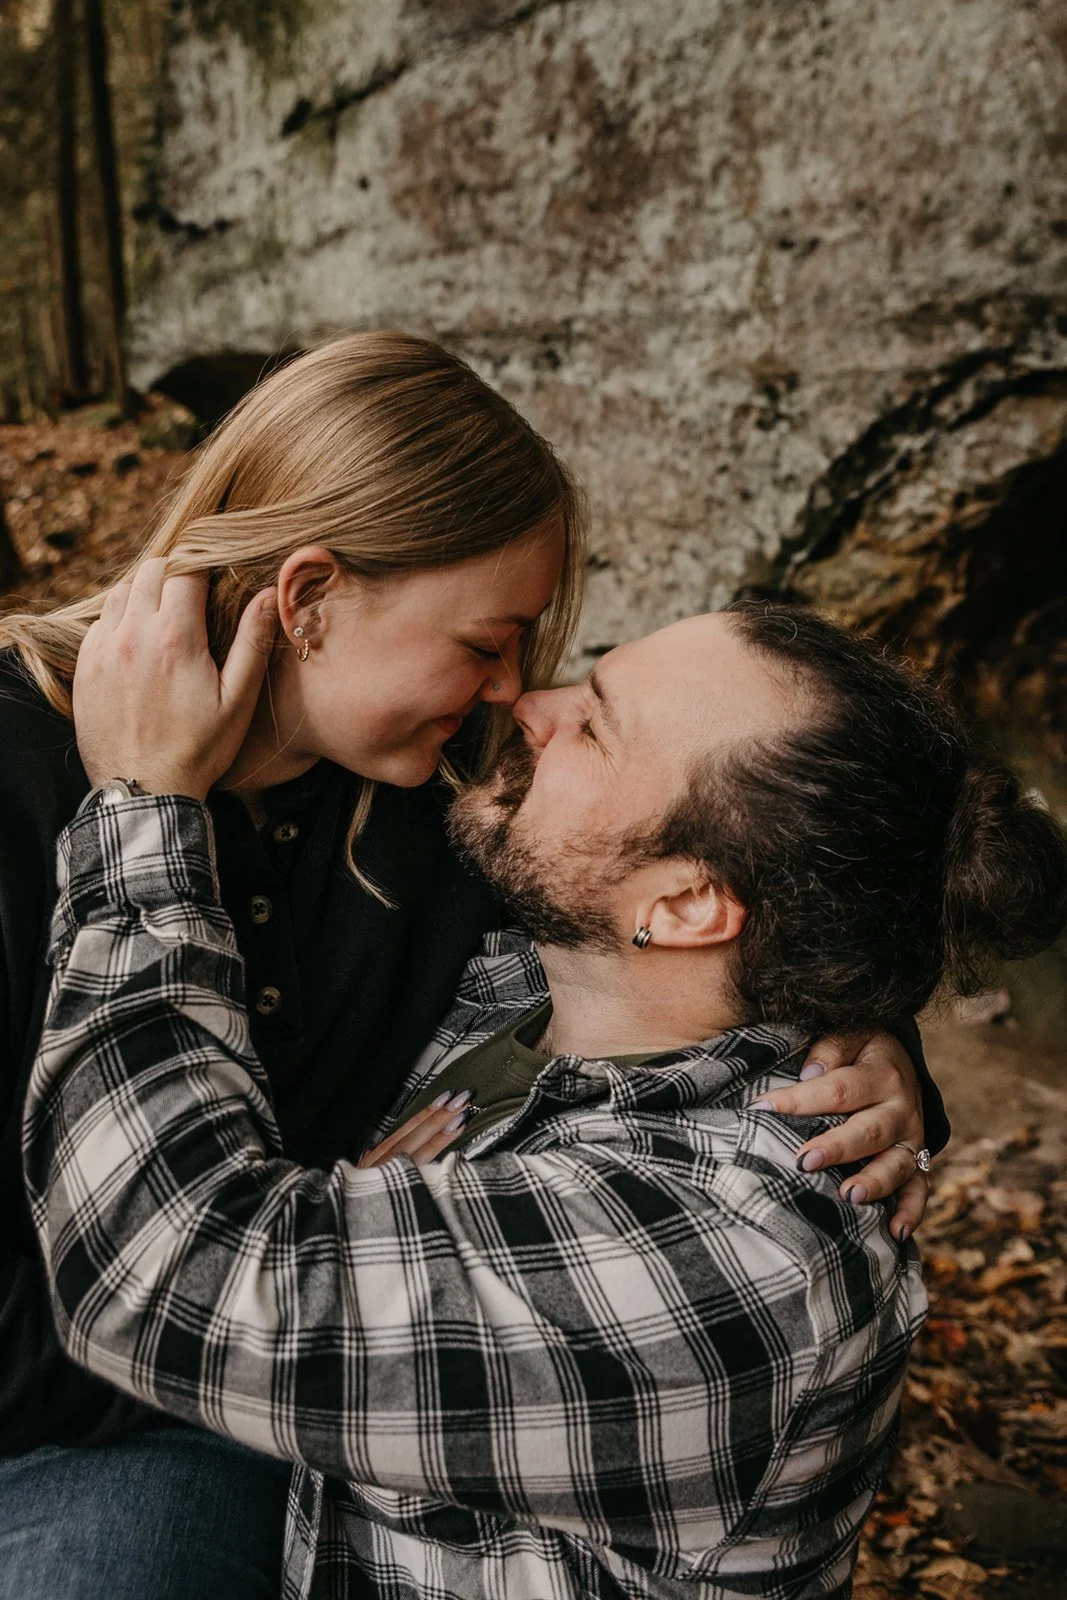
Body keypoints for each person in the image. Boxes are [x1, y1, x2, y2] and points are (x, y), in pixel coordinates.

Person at [0, 336, 929, 1598]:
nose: (517, 693)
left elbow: (717, 898)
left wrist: (866, 1042)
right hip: (113, 1389)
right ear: (309, 595)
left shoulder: (437, 798)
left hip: (263, 1369)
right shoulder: (23, 780)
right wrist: (143, 806)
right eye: (490, 641)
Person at [30, 596, 1065, 1598]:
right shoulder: (543, 992)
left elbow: (165, 1268)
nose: (529, 704)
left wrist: (143, 800)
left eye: (596, 726)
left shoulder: (734, 1249)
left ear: (686, 902)